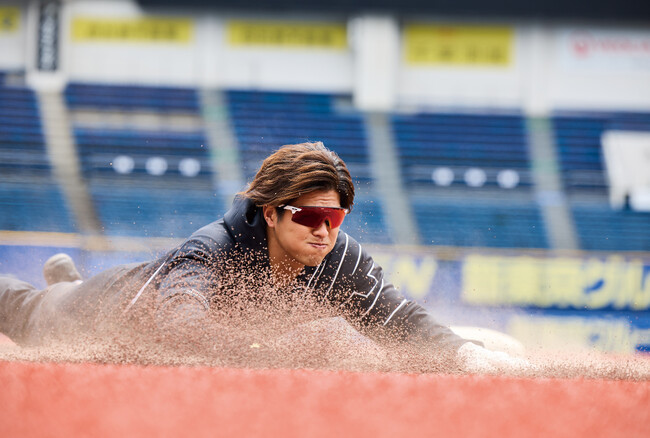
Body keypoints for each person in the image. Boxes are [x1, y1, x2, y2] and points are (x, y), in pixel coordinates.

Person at [0, 142, 532, 374]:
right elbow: (183, 327)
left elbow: (397, 319)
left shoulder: (334, 255)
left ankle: (61, 277)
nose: (324, 232)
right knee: (26, 313)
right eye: (308, 217)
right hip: (101, 307)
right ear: (272, 213)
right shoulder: (212, 251)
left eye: (336, 218)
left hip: (137, 307)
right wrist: (292, 345)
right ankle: (59, 286)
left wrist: (463, 355)